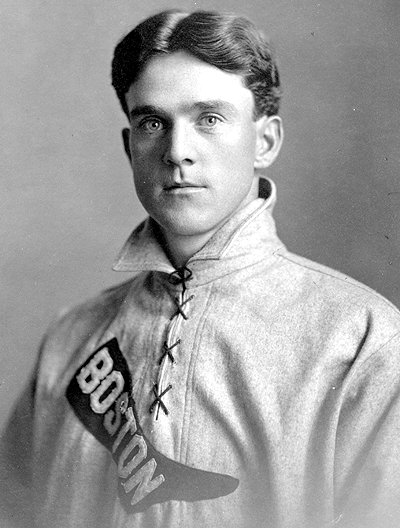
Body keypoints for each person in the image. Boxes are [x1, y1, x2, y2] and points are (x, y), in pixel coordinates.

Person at [1, 8, 400, 528]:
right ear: (129, 148)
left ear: (265, 141)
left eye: (209, 119)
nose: (177, 152)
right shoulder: (69, 341)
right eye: (152, 123)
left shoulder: (362, 342)